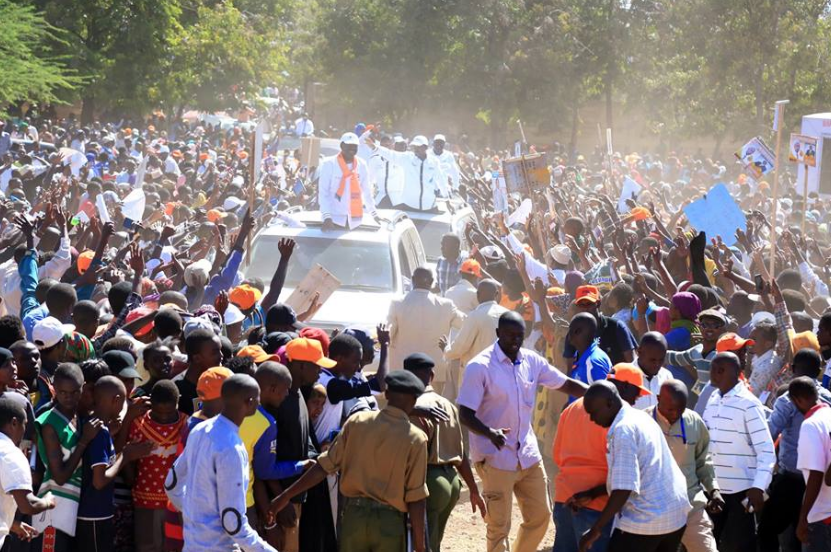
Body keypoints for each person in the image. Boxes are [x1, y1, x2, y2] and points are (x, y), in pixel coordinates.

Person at [457, 311, 588, 552]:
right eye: (509, 335)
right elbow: (464, 413)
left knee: (541, 517)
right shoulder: (480, 366)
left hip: (527, 454)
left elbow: (563, 383)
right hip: (495, 457)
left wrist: (596, 393)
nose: (515, 341)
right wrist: (490, 432)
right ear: (498, 334)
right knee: (498, 527)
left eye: (520, 335)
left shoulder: (532, 361)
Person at [268, 370, 431, 552]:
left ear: (387, 394)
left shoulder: (357, 422)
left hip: (354, 518)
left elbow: (323, 467)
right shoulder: (416, 439)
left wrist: (285, 496)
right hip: (389, 523)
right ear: (415, 401)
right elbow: (416, 498)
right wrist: (420, 546)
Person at [165, 374, 277, 552]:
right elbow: (233, 523)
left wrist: (195, 513)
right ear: (249, 402)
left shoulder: (200, 429)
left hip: (191, 545)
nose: (259, 403)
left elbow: (172, 483)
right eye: (257, 398)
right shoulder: (232, 448)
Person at [579, 381, 691, 552]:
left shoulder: (623, 430)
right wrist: (592, 493)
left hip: (647, 520)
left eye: (593, 413)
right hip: (675, 515)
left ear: (609, 403)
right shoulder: (640, 417)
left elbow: (624, 488)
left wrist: (596, 529)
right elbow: (641, 474)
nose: (592, 419)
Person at [404, 353, 485, 552]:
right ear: (431, 375)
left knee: (420, 543)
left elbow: (413, 454)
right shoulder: (448, 405)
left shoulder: (414, 407)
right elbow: (460, 452)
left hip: (428, 481)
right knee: (434, 542)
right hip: (451, 483)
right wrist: (473, 490)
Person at [701, 352, 775, 551]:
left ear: (737, 373)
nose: (715, 374)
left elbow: (766, 451)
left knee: (740, 546)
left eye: (721, 370)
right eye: (713, 369)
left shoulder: (748, 404)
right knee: (709, 544)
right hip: (714, 489)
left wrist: (759, 487)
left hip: (743, 492)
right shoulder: (713, 399)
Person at [761, 348, 831, 551]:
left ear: (792, 369)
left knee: (767, 530)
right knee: (802, 536)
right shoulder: (827, 397)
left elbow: (770, 434)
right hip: (820, 488)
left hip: (792, 479)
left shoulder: (787, 400)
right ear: (819, 371)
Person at [76, 376, 153, 552]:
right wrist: (125, 457)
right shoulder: (100, 432)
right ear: (116, 400)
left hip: (95, 513)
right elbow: (100, 480)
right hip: (94, 515)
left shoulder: (98, 428)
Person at [646, 380, 722, 552]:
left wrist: (713, 490)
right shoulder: (643, 422)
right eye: (670, 409)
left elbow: (703, 461)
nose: (675, 414)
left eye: (680, 409)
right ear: (658, 399)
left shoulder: (694, 421)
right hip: (653, 508)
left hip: (690, 504)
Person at [32, 363, 101, 551]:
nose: (68, 397)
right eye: (62, 392)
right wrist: (84, 441)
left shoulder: (79, 418)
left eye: (74, 392)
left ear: (83, 387)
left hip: (72, 507)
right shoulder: (49, 423)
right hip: (53, 509)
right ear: (54, 388)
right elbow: (60, 477)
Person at [126, 380, 188, 552]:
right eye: (158, 413)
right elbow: (128, 458)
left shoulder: (186, 425)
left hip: (177, 502)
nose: (164, 418)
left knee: (176, 545)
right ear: (150, 403)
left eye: (169, 413)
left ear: (178, 402)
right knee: (147, 546)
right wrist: (131, 481)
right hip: (145, 499)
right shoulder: (139, 424)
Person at [551, 384, 614, 551]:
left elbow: (557, 455)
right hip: (597, 504)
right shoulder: (616, 416)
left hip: (564, 497)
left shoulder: (572, 408)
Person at [388, 267, 464, 396]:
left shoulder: (397, 303)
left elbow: (388, 334)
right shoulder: (446, 305)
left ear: (412, 280)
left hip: (404, 372)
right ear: (432, 281)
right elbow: (466, 325)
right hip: (433, 373)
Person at [0, 397, 55, 548]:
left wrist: (12, 524)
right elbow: (28, 504)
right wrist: (48, 501)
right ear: (14, 423)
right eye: (24, 425)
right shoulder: (11, 454)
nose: (24, 431)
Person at [440, 279, 507, 399]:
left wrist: (446, 349)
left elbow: (459, 348)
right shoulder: (508, 315)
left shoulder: (475, 316)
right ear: (497, 295)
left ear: (478, 295)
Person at [365, 134, 448, 211]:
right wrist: (375, 147)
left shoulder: (433, 162)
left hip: (429, 205)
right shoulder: (407, 158)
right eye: (414, 146)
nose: (415, 149)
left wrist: (446, 198)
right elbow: (390, 154)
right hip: (409, 206)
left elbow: (441, 180)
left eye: (418, 146)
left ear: (425, 147)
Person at [318, 132, 378, 231]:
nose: (352, 149)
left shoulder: (362, 164)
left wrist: (374, 213)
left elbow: (367, 191)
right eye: (349, 145)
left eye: (355, 146)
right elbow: (323, 193)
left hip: (356, 221)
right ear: (342, 145)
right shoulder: (329, 164)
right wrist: (327, 217)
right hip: (333, 220)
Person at [565, 285, 637, 364]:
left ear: (598, 303)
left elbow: (632, 363)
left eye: (589, 304)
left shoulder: (616, 326)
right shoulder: (573, 333)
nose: (585, 308)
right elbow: (569, 369)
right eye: (581, 305)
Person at [567, 313, 612, 394]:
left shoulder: (593, 362)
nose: (567, 333)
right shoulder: (579, 354)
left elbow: (604, 397)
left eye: (570, 329)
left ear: (578, 332)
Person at [634, 332, 673, 409]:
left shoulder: (667, 376)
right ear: (639, 352)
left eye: (661, 360)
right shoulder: (622, 377)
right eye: (652, 360)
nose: (657, 364)